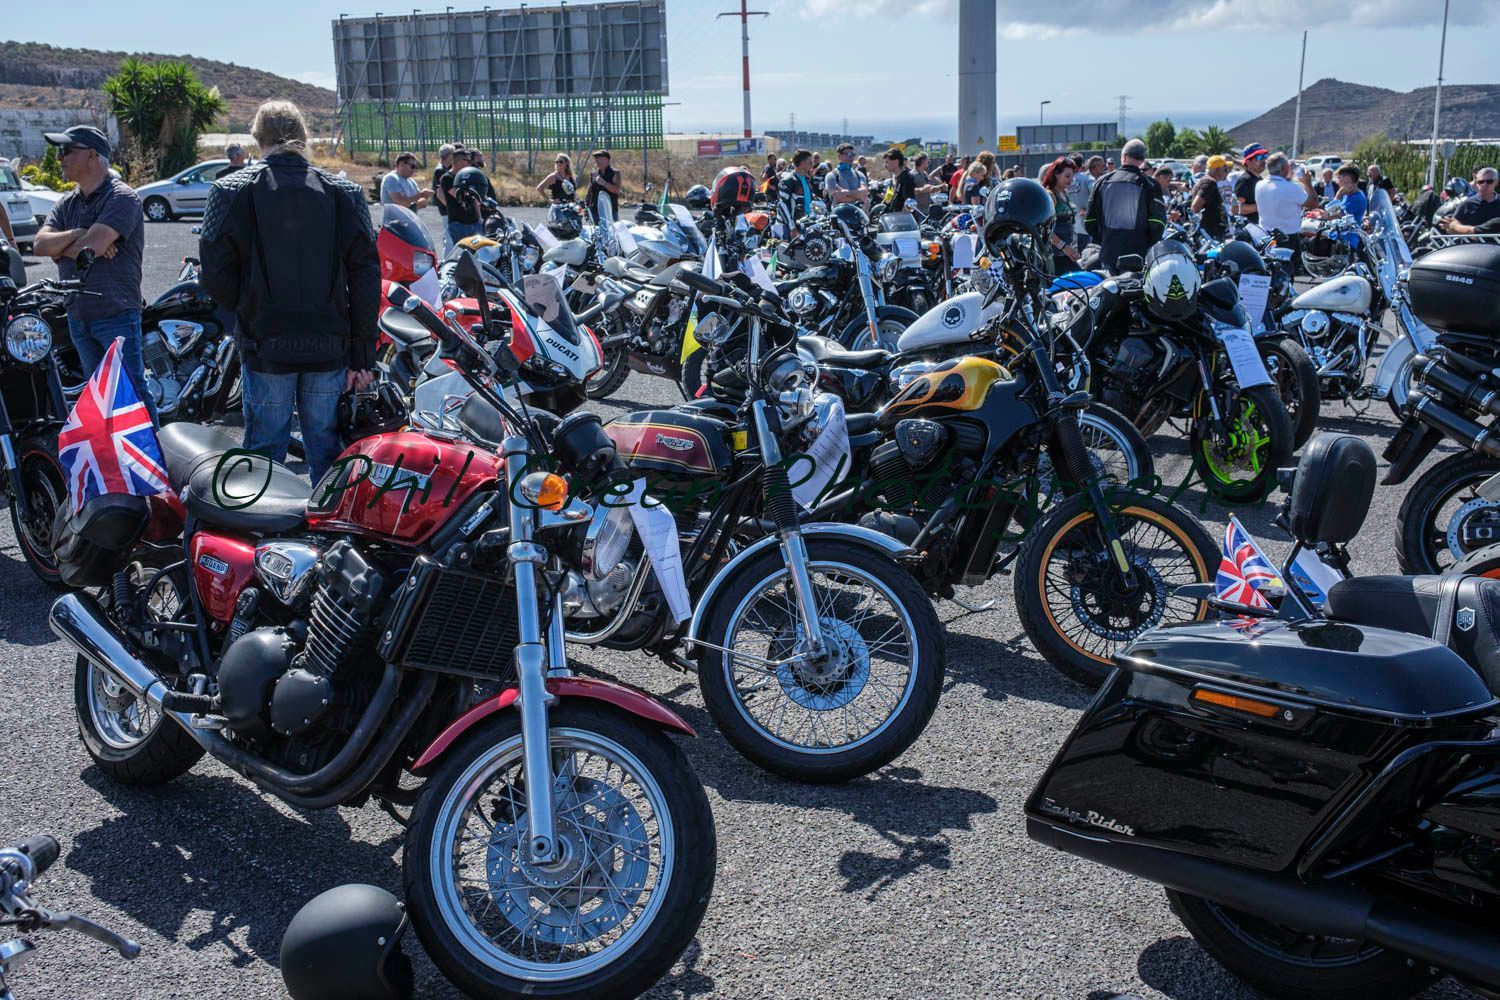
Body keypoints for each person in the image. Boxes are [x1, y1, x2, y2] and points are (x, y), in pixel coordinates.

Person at [198, 100, 379, 483]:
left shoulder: (230, 189)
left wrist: (250, 307)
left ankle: (266, 536)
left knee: (264, 452)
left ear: (257, 138)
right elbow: (366, 273)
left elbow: (213, 273)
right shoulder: (344, 191)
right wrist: (363, 353)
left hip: (266, 344)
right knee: (330, 452)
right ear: (303, 137)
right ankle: (332, 536)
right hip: (329, 345)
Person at [34, 125, 153, 422]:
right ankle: (113, 462)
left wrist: (64, 246)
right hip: (78, 315)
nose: (60, 158)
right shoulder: (67, 203)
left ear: (91, 156)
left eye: (66, 151)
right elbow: (39, 245)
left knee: (131, 394)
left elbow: (95, 247)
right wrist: (80, 233)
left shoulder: (122, 197)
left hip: (115, 314)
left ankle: (152, 462)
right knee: (99, 398)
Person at [1083, 137, 1166, 272]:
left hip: (1108, 254)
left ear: (1123, 157)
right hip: (1138, 256)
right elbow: (1158, 222)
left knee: (1108, 290)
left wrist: (1105, 238)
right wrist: (1145, 242)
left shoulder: (1102, 181)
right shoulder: (1150, 184)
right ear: (1143, 159)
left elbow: (1090, 221)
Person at [1255, 151, 1314, 238]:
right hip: (1289, 237)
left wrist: (1289, 176)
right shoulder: (1293, 188)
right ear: (1283, 168)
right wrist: (1308, 183)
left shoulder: (1259, 185)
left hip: (1266, 236)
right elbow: (1313, 204)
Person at [1040, 156, 1080, 275]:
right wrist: (1064, 247)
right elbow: (1043, 228)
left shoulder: (1064, 193)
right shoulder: (1050, 195)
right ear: (1056, 175)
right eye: (1067, 176)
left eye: (1072, 176)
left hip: (1066, 253)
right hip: (1055, 256)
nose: (1071, 180)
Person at [438, 148, 484, 245]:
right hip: (458, 223)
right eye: (467, 161)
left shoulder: (468, 176)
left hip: (474, 221)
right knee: (464, 253)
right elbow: (457, 194)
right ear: (458, 161)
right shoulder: (447, 178)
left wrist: (480, 219)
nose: (470, 163)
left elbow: (475, 199)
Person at [1440, 166, 1500, 234]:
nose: (1484, 184)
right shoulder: (1468, 203)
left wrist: (1458, 228)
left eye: (1489, 181)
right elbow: (1451, 227)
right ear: (1476, 184)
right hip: (1471, 244)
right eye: (1481, 182)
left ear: (1496, 182)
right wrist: (1453, 227)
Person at [778, 149, 817, 237]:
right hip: (790, 227)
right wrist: (792, 227)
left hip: (805, 223)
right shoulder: (788, 180)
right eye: (810, 162)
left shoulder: (806, 179)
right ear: (803, 163)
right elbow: (782, 205)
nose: (812, 165)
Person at [1191, 155, 1232, 239]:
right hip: (1210, 232)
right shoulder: (1209, 183)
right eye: (1224, 168)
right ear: (1217, 170)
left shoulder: (1206, 181)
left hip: (1211, 231)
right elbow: (1195, 207)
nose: (1227, 171)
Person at [1233, 143, 1269, 223]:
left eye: (1264, 156)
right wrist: (1262, 205)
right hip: (1249, 230)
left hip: (1260, 228)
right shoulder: (1245, 180)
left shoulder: (1259, 179)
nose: (1263, 160)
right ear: (1248, 162)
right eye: (1259, 157)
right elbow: (1236, 209)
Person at [586, 149, 621, 221]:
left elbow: (617, 190)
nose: (597, 160)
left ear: (607, 160)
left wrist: (603, 183)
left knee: (611, 231)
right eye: (596, 158)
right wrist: (586, 207)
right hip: (594, 211)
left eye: (600, 158)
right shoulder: (594, 174)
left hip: (609, 211)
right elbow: (589, 192)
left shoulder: (615, 173)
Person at [432, 143, 455, 253]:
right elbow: (440, 193)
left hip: (447, 207)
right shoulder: (440, 171)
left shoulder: (445, 168)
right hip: (446, 208)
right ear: (449, 155)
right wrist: (451, 207)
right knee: (449, 237)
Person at [1330, 164, 1368, 229]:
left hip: (1348, 237)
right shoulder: (1348, 194)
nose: (1337, 182)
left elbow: (1331, 215)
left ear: (1348, 180)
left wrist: (1338, 195)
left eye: (1339, 178)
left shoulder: (1357, 199)